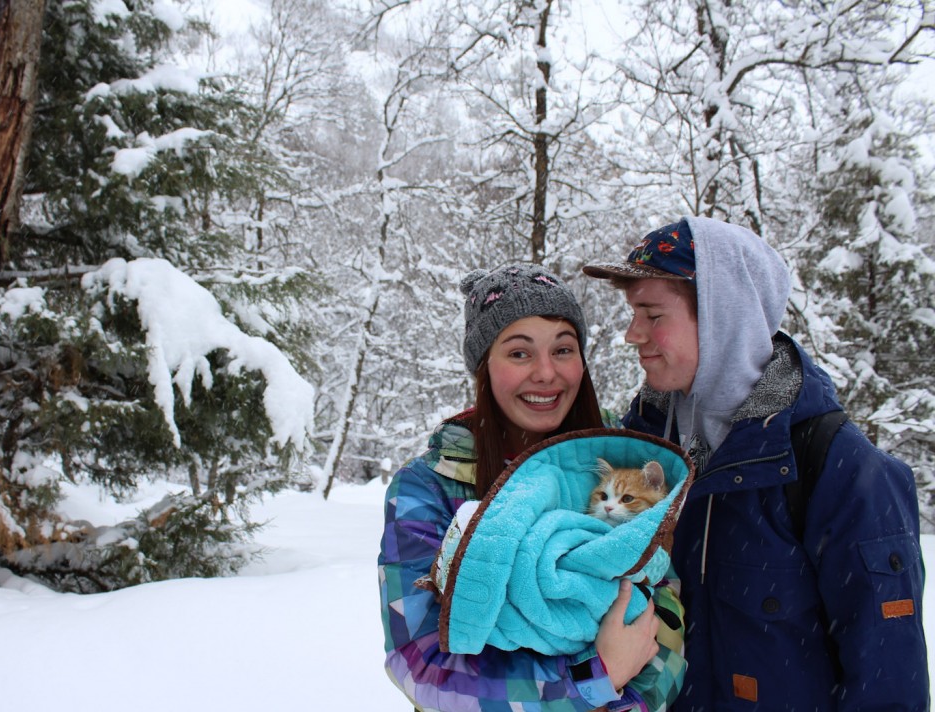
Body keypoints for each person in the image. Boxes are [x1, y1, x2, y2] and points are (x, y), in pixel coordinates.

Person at [583, 216, 929, 711]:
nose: (631, 334)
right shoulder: (644, 448)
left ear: (726, 318)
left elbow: (888, 684)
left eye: (652, 315)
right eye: (632, 313)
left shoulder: (838, 469)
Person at [378, 263, 687, 712]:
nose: (546, 373)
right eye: (519, 353)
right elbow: (420, 666)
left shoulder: (621, 470)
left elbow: (667, 622)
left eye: (563, 349)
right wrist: (592, 679)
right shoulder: (429, 489)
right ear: (484, 367)